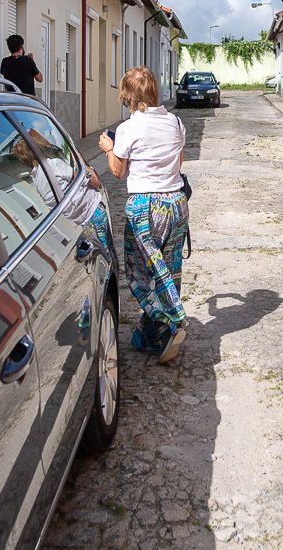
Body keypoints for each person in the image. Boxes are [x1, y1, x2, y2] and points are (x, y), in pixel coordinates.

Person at [98, 65, 189, 363]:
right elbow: (178, 162)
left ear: (128, 96)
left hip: (146, 207)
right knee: (167, 270)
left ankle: (173, 319)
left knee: (140, 273)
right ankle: (150, 336)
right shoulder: (175, 122)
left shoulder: (129, 128)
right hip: (176, 203)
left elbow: (118, 171)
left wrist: (109, 148)